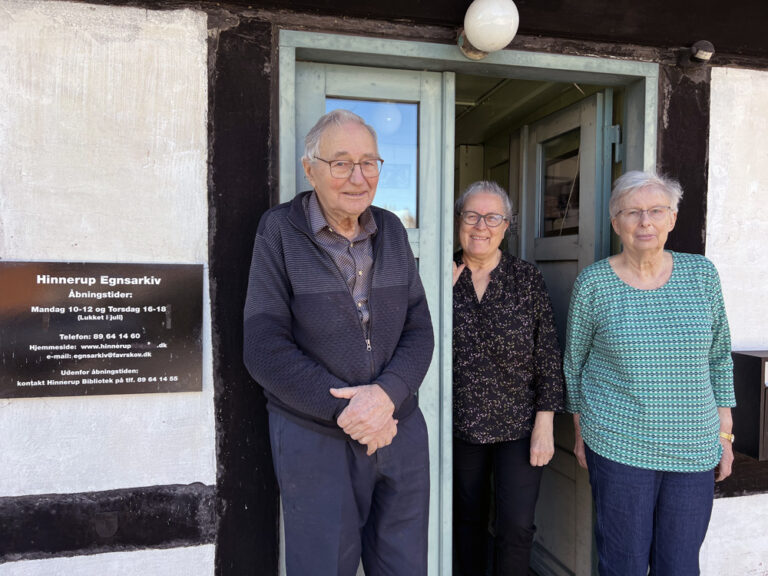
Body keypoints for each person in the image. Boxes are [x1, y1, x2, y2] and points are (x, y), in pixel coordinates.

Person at [243, 109, 434, 575]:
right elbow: (263, 347)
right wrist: (350, 411)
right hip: (316, 434)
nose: (358, 177)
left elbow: (420, 327)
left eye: (369, 162)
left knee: (405, 567)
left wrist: (385, 397)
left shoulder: (389, 227)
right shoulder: (279, 231)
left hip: (398, 427)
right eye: (341, 162)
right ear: (310, 169)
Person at [564, 170, 736, 576]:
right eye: (633, 212)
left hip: (694, 450)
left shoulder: (702, 275)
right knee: (622, 564)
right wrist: (579, 433)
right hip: (619, 446)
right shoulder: (593, 284)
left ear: (672, 218)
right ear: (615, 223)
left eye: (657, 210)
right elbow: (574, 364)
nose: (646, 221)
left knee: (678, 566)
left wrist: (725, 436)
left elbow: (719, 358)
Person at [452, 181, 565, 576]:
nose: (481, 226)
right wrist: (437, 295)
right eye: (471, 215)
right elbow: (414, 342)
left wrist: (545, 423)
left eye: (493, 217)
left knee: (516, 525)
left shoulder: (526, 279)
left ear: (507, 226)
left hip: (518, 427)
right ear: (458, 221)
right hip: (458, 424)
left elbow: (548, 355)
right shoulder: (437, 275)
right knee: (464, 522)